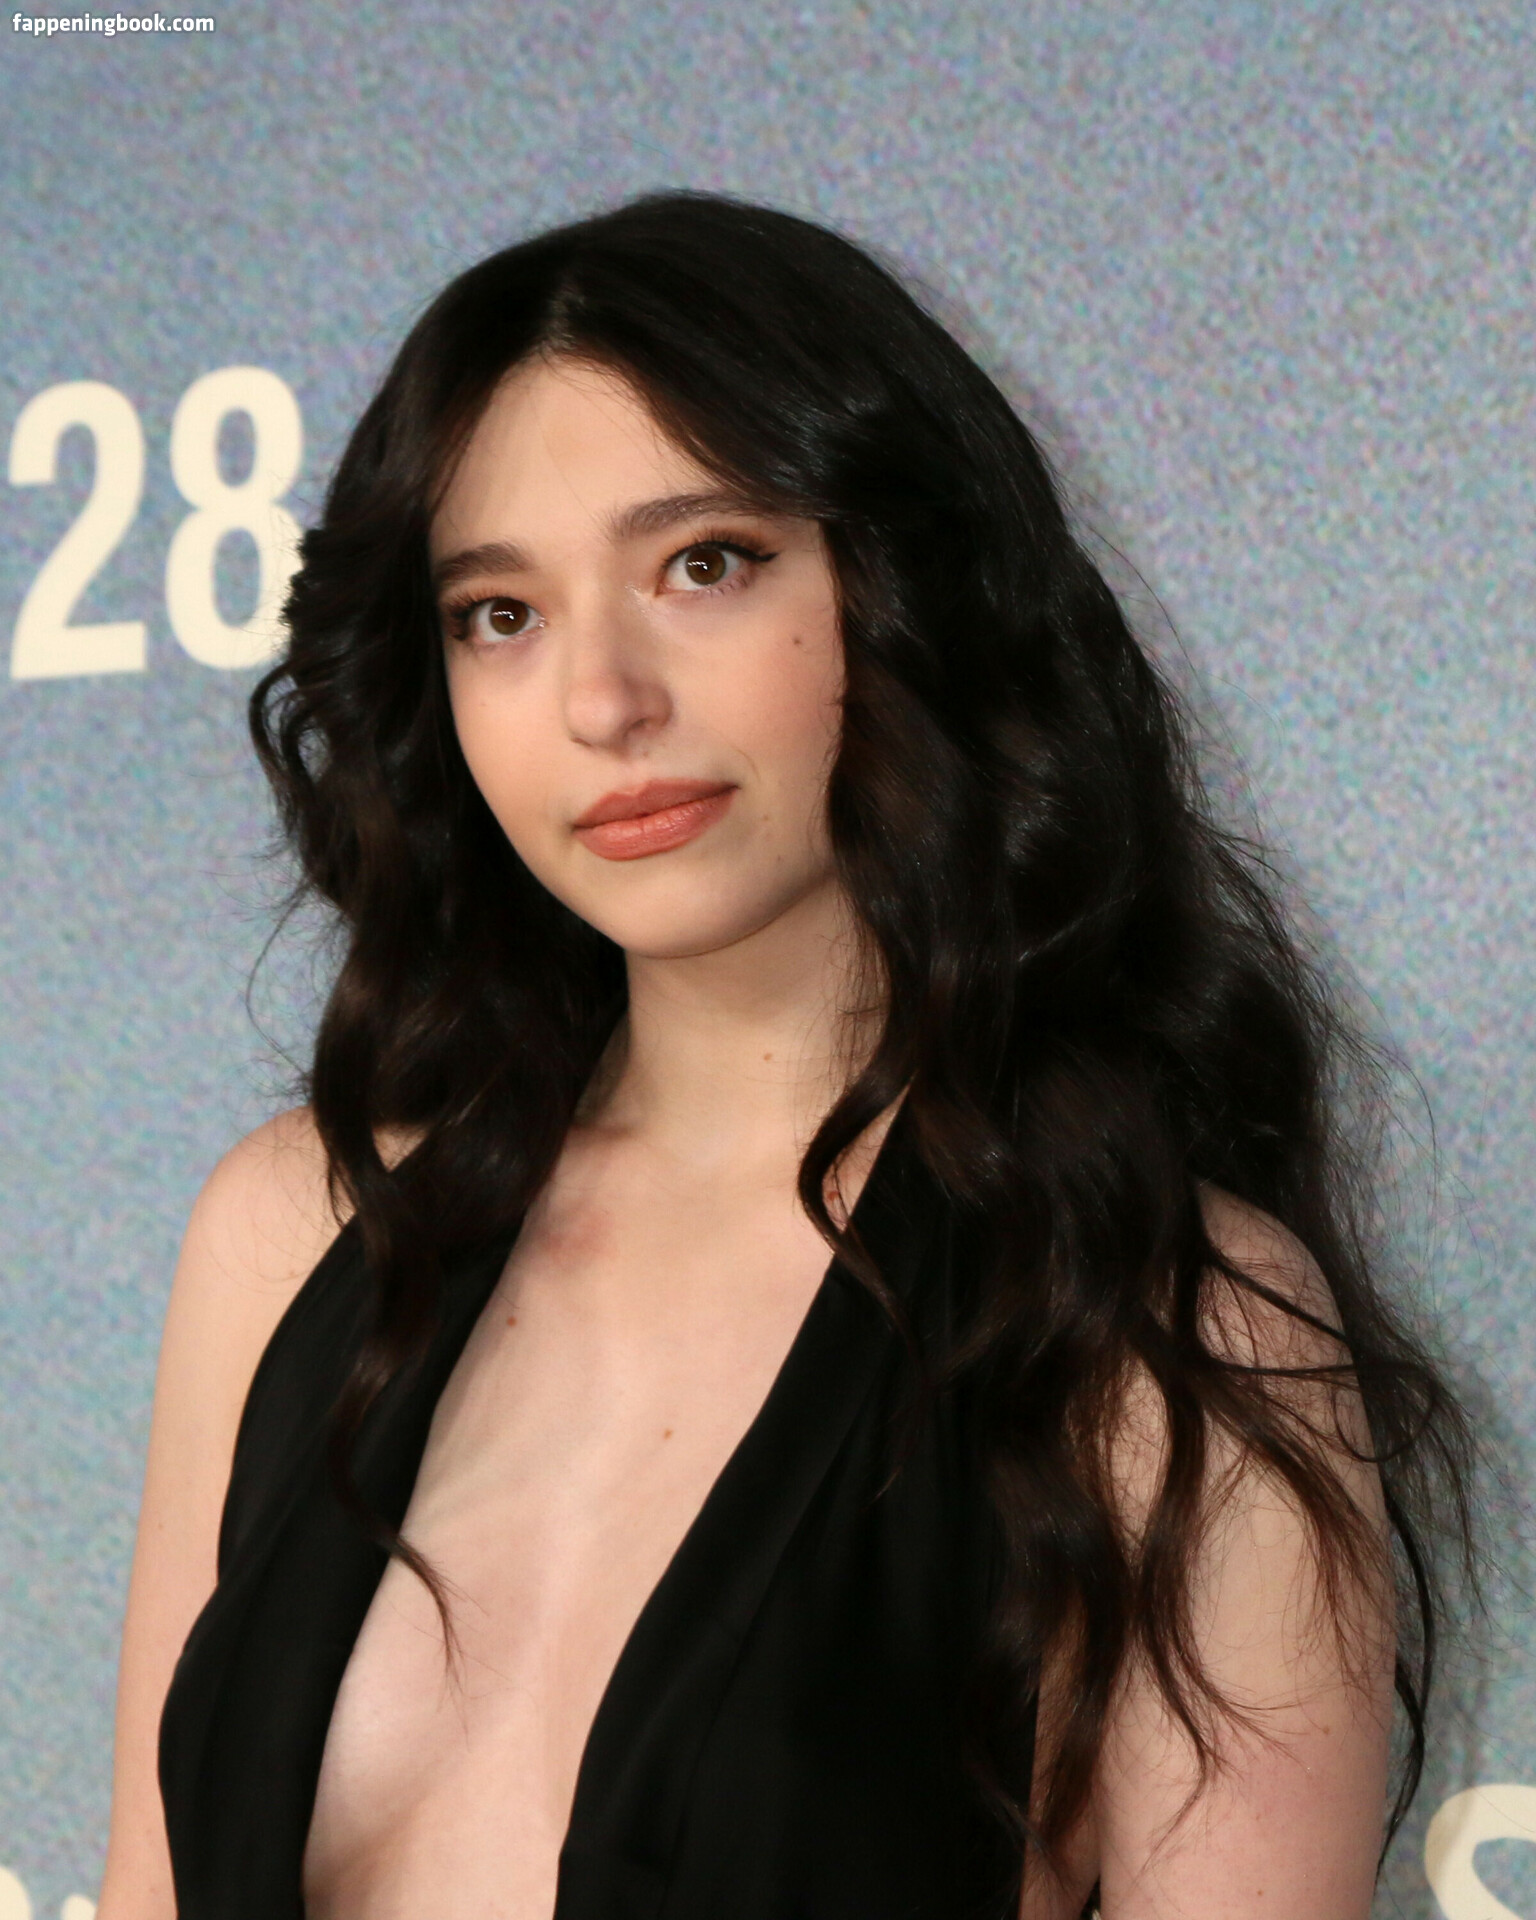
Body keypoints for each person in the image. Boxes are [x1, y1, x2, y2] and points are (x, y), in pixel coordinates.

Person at [97, 192, 1472, 1920]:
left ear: (908, 590)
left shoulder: (1166, 1327)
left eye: (705, 565)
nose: (603, 700)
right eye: (500, 614)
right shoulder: (300, 1230)